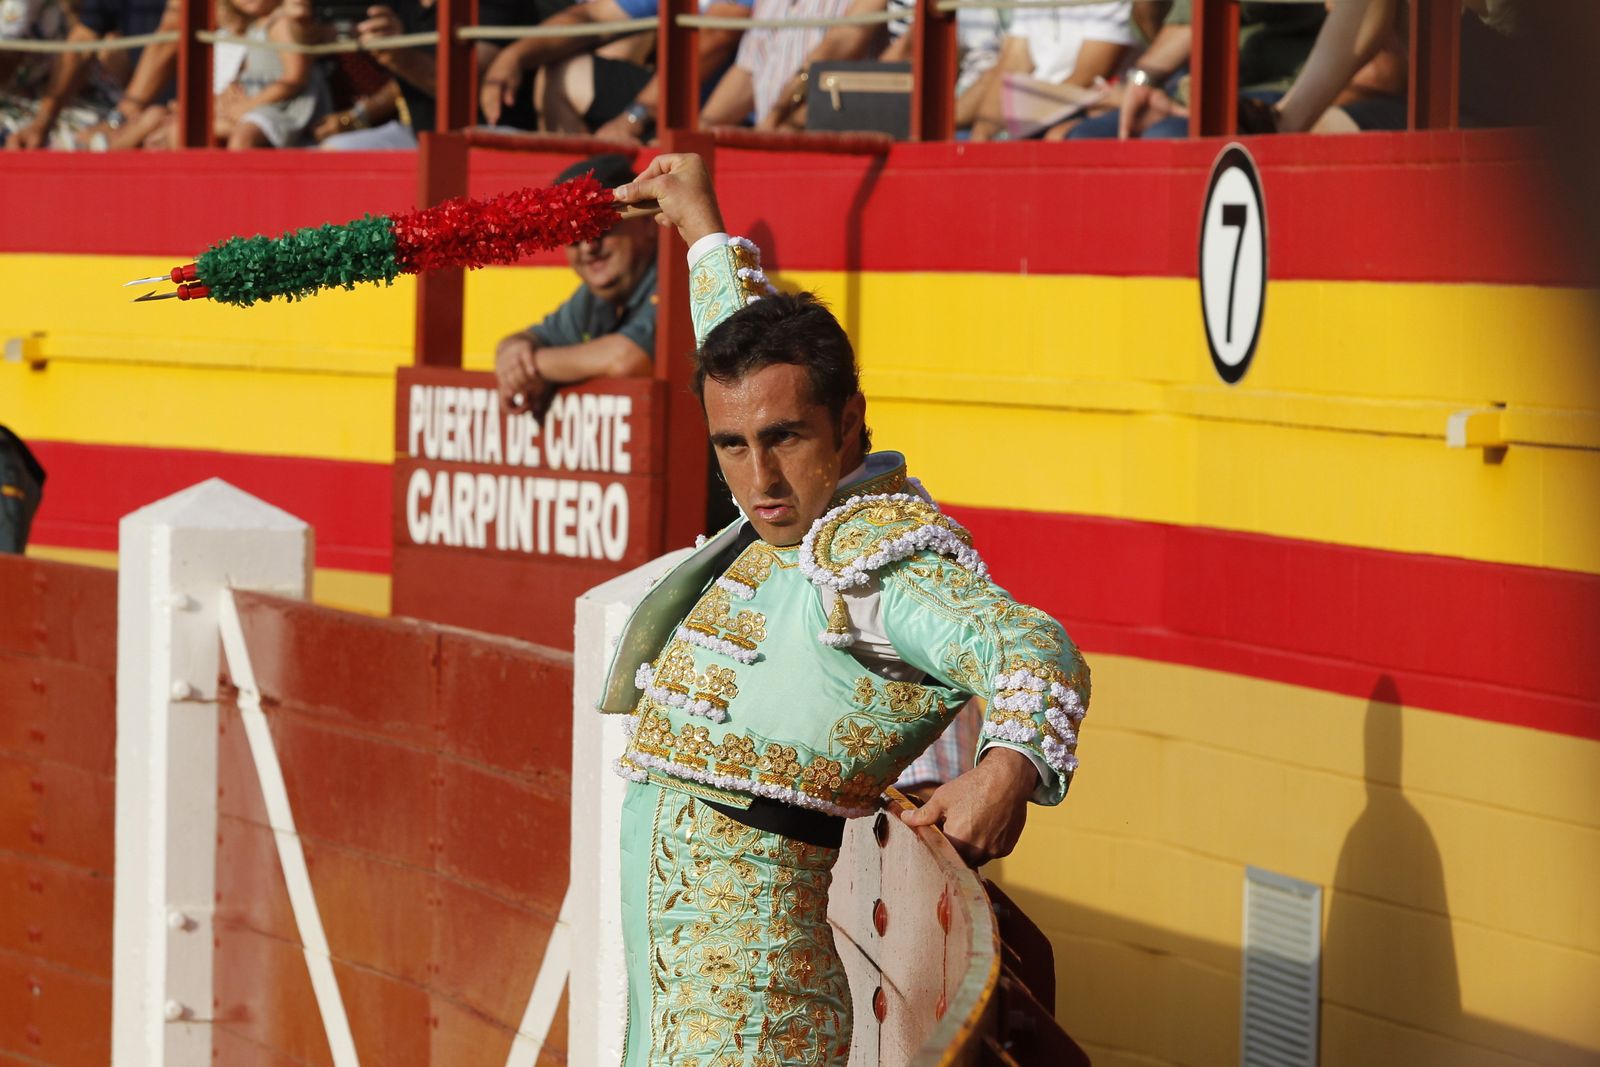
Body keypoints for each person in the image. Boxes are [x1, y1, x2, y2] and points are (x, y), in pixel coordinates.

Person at [604, 152, 1089, 1065]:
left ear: (851, 421)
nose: (761, 478)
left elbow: (1034, 649)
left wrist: (1006, 768)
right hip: (675, 1011)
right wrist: (702, 225)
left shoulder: (877, 563)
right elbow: (744, 354)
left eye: (785, 438)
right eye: (733, 446)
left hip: (757, 1016)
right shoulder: (797, 502)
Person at [493, 154, 658, 416]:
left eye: (600, 229)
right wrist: (511, 352)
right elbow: (529, 338)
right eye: (573, 237)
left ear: (648, 222)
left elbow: (627, 359)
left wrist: (530, 365)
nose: (589, 248)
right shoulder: (596, 295)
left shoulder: (679, 274)